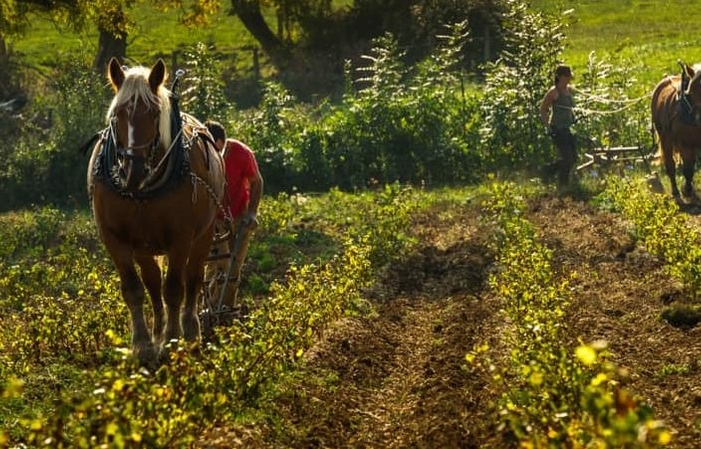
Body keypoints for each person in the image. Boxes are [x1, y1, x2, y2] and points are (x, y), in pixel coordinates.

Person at [205, 120, 264, 307]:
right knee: (217, 264)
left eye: (217, 150)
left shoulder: (241, 152)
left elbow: (257, 182)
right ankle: (207, 307)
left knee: (233, 268)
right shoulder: (201, 156)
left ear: (223, 142)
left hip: (240, 217)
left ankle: (225, 311)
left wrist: (252, 213)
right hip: (216, 219)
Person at [539, 64, 577, 187]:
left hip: (567, 128)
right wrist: (547, 126)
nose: (568, 79)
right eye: (566, 76)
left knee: (573, 158)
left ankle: (548, 171)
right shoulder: (554, 92)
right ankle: (562, 184)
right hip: (557, 129)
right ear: (559, 77)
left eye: (569, 77)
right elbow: (543, 109)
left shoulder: (569, 90)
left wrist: (573, 117)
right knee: (568, 158)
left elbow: (570, 108)